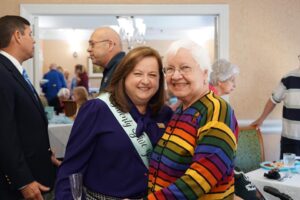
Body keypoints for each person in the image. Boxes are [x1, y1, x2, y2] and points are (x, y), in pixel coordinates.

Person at [55, 46, 173, 199]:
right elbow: (71, 170)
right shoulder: (97, 109)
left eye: (152, 75)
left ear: (159, 80)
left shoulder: (165, 114)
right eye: (137, 74)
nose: (145, 81)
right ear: (124, 76)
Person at [147, 40, 238, 199]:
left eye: (185, 68)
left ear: (204, 73)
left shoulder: (216, 110)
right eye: (170, 69)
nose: (175, 76)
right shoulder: (182, 110)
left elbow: (201, 178)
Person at [0, 15, 56, 200]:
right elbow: (4, 132)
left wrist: (46, 155)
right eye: (30, 34)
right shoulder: (2, 72)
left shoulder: (14, 71)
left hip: (38, 172)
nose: (34, 40)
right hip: (18, 186)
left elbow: (25, 126)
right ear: (17, 35)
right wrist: (23, 180)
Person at [251, 55, 300, 157]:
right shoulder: (288, 78)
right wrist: (261, 119)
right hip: (290, 141)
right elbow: (273, 100)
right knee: (287, 172)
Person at [87, 27, 125, 92]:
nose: (88, 49)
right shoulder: (114, 67)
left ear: (110, 45)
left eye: (92, 44)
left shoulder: (122, 68)